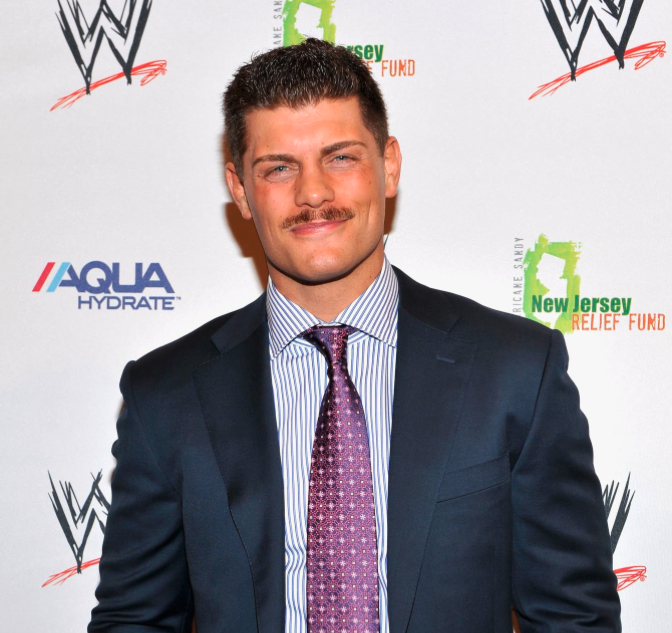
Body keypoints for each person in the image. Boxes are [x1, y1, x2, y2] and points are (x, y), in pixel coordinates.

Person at [88, 38, 621, 633]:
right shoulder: (165, 395)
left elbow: (574, 617)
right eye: (279, 168)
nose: (313, 193)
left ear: (388, 166)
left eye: (340, 158)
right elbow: (134, 620)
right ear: (240, 190)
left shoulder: (515, 370)